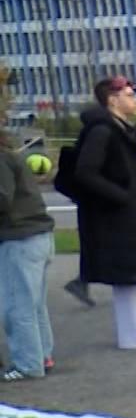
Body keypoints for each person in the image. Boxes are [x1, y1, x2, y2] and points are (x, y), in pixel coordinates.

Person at [71, 76, 136, 350]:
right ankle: (134, 334)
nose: (135, 100)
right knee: (128, 276)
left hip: (132, 213)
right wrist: (122, 196)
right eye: (129, 95)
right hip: (118, 216)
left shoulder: (122, 129)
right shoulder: (102, 131)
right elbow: (86, 172)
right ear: (113, 100)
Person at [0, 135, 55, 381]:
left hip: (19, 239)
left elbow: (2, 198)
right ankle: (42, 355)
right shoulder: (10, 156)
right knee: (34, 305)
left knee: (17, 306)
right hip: (37, 236)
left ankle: (27, 364)